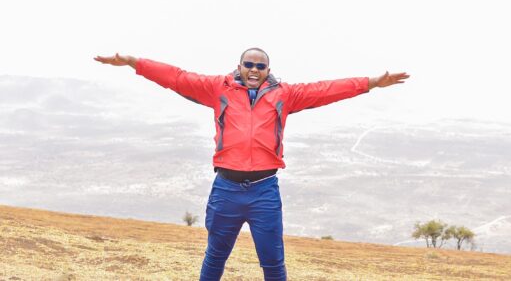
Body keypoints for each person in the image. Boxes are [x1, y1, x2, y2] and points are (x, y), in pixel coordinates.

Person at [94, 48, 409, 281]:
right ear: (240, 66)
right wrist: (135, 63)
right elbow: (177, 77)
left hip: (264, 191)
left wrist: (371, 83)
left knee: (273, 263)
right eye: (249, 64)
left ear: (268, 69)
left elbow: (326, 90)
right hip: (226, 190)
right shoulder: (218, 89)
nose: (254, 69)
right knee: (214, 259)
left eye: (260, 65)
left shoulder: (286, 94)